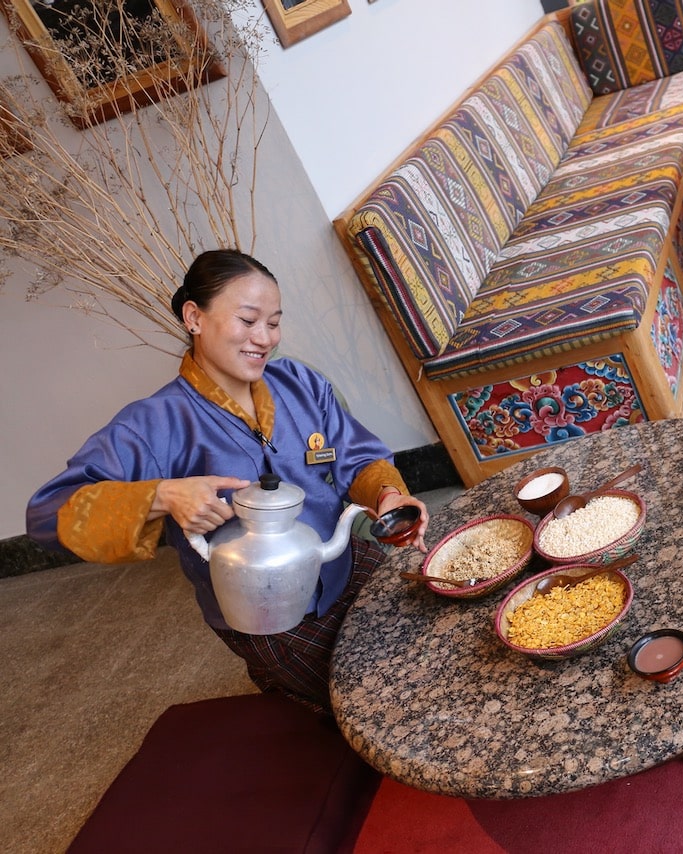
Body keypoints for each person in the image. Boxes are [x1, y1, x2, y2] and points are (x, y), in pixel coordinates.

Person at [27, 250, 429, 714]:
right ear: (194, 317)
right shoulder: (156, 423)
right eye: (248, 320)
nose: (265, 339)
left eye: (274, 323)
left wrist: (390, 495)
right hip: (270, 615)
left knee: (431, 646)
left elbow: (356, 458)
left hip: (344, 565)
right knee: (380, 708)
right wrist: (160, 495)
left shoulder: (299, 382)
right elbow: (45, 514)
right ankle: (285, 685)